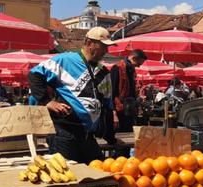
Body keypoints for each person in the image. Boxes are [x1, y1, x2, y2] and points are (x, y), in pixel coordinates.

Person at [29, 27, 114, 164]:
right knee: (68, 179)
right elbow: (34, 75)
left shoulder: (103, 72)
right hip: (64, 134)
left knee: (97, 175)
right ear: (88, 42)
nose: (106, 51)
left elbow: (107, 106)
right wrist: (47, 101)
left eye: (107, 47)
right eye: (102, 46)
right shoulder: (65, 60)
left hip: (88, 137)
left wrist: (111, 137)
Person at [109, 49, 147, 132]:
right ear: (133, 58)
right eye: (138, 63)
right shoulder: (117, 68)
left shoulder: (131, 70)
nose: (139, 66)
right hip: (119, 110)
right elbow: (111, 92)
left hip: (129, 110)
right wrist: (113, 113)